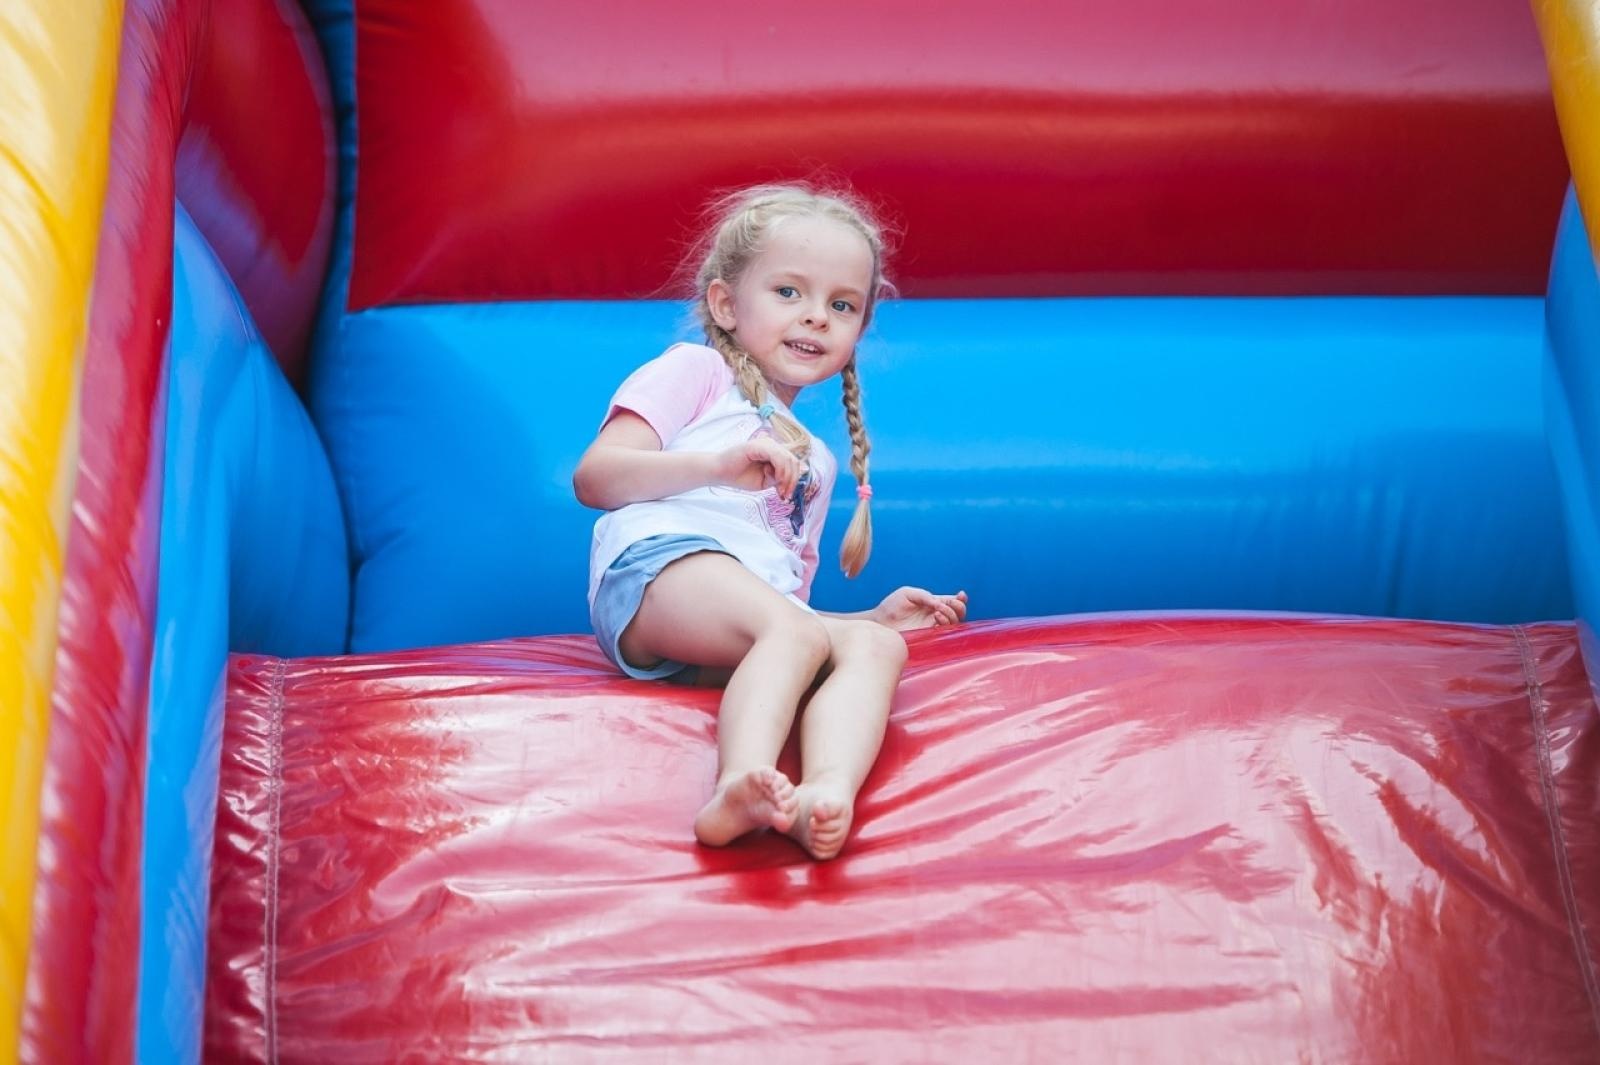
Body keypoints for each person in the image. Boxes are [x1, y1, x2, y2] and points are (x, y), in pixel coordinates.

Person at [573, 184, 968, 860]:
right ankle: (735, 785)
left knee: (879, 652)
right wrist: (717, 466)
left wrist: (867, 620)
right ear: (726, 304)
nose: (816, 317)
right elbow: (595, 477)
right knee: (788, 630)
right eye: (789, 292)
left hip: (726, 627)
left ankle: (825, 789)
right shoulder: (695, 372)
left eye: (840, 305)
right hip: (652, 574)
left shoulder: (811, 457)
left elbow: (784, 614)